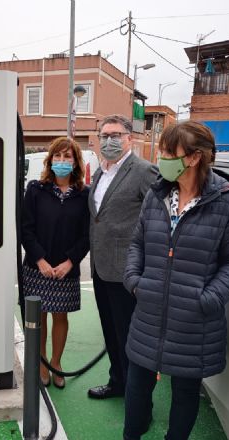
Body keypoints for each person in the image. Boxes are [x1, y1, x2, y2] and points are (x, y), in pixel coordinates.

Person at [107, 121, 229, 440]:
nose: (162, 159)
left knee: (185, 392)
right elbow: (138, 243)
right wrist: (134, 281)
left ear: (195, 158)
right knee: (137, 384)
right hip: (149, 311)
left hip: (194, 320)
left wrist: (207, 298)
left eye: (169, 152)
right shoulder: (157, 196)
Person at [87, 115, 158, 400]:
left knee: (130, 335)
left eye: (115, 135)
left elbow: (158, 217)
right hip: (101, 267)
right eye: (104, 136)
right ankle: (117, 382)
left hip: (127, 269)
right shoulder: (100, 172)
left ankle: (138, 397)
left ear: (130, 138)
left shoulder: (143, 171)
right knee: (111, 331)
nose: (109, 141)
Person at [22, 137, 90, 389]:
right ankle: (42, 364)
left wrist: (70, 262)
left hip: (65, 269)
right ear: (50, 160)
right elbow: (25, 228)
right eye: (57, 156)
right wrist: (39, 259)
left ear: (75, 162)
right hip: (36, 267)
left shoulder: (84, 194)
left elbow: (87, 234)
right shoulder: (36, 189)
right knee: (38, 317)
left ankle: (56, 362)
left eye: (67, 156)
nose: (62, 161)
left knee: (61, 316)